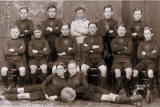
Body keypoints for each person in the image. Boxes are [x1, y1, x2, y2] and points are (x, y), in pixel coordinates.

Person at [62, 60, 142, 106]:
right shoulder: (66, 78)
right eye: (70, 68)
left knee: (111, 93)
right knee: (109, 98)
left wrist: (74, 90)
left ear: (76, 68)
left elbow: (85, 86)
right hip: (88, 95)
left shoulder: (80, 74)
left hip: (92, 88)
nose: (72, 70)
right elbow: (68, 92)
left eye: (73, 68)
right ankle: (133, 100)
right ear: (67, 69)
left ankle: (133, 101)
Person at [0, 61, 68, 101]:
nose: (59, 71)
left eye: (61, 69)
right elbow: (43, 84)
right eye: (58, 69)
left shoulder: (66, 82)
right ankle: (5, 92)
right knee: (21, 89)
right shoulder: (53, 76)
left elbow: (65, 96)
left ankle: (5, 97)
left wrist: (55, 97)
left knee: (23, 95)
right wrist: (46, 94)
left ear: (65, 70)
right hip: (40, 88)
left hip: (42, 95)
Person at [132, 26, 159, 103]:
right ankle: (139, 89)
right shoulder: (141, 43)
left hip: (152, 63)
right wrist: (150, 53)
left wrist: (145, 53)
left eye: (148, 33)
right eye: (145, 33)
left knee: (150, 72)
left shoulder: (155, 43)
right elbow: (139, 55)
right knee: (135, 72)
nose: (146, 35)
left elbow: (155, 55)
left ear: (152, 34)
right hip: (142, 62)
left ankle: (149, 91)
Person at [81, 22, 107, 88]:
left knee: (104, 69)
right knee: (83, 68)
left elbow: (100, 50)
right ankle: (86, 88)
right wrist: (94, 47)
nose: (92, 29)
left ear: (96, 28)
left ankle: (101, 89)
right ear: (88, 29)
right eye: (90, 28)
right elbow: (84, 49)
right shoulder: (85, 39)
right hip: (88, 59)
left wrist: (89, 47)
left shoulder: (100, 38)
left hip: (98, 59)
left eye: (93, 27)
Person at [97, 5, 118, 86]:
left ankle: (113, 85)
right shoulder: (101, 22)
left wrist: (107, 31)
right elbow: (101, 33)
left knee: (113, 65)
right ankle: (105, 86)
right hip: (103, 45)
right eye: (106, 11)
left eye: (109, 11)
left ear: (112, 12)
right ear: (104, 13)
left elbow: (115, 34)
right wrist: (109, 31)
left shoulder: (115, 22)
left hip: (112, 46)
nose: (108, 13)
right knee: (104, 65)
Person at [111, 23, 133, 94]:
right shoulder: (113, 40)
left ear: (126, 31)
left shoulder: (129, 40)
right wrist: (123, 47)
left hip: (126, 59)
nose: (121, 31)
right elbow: (113, 49)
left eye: (123, 30)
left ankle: (123, 87)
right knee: (117, 71)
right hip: (116, 60)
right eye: (120, 30)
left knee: (129, 71)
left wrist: (119, 51)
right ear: (117, 31)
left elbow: (129, 51)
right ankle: (123, 89)